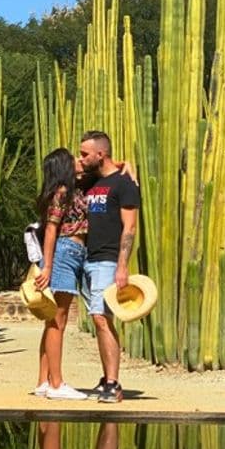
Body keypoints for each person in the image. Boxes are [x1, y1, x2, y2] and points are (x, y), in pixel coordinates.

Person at [78, 130, 140, 404]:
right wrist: (124, 161)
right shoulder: (91, 182)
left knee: (101, 318)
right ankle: (107, 378)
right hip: (88, 258)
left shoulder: (124, 184)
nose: (81, 158)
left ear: (100, 154)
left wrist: (122, 265)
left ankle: (113, 384)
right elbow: (68, 164)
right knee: (100, 318)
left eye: (85, 153)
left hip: (108, 258)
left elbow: (129, 227)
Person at [31, 148, 89, 400]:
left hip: (69, 252)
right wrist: (48, 267)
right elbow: (52, 231)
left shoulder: (70, 191)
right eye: (73, 159)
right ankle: (57, 383)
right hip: (65, 251)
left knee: (53, 321)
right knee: (58, 320)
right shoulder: (62, 193)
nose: (79, 161)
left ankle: (43, 381)